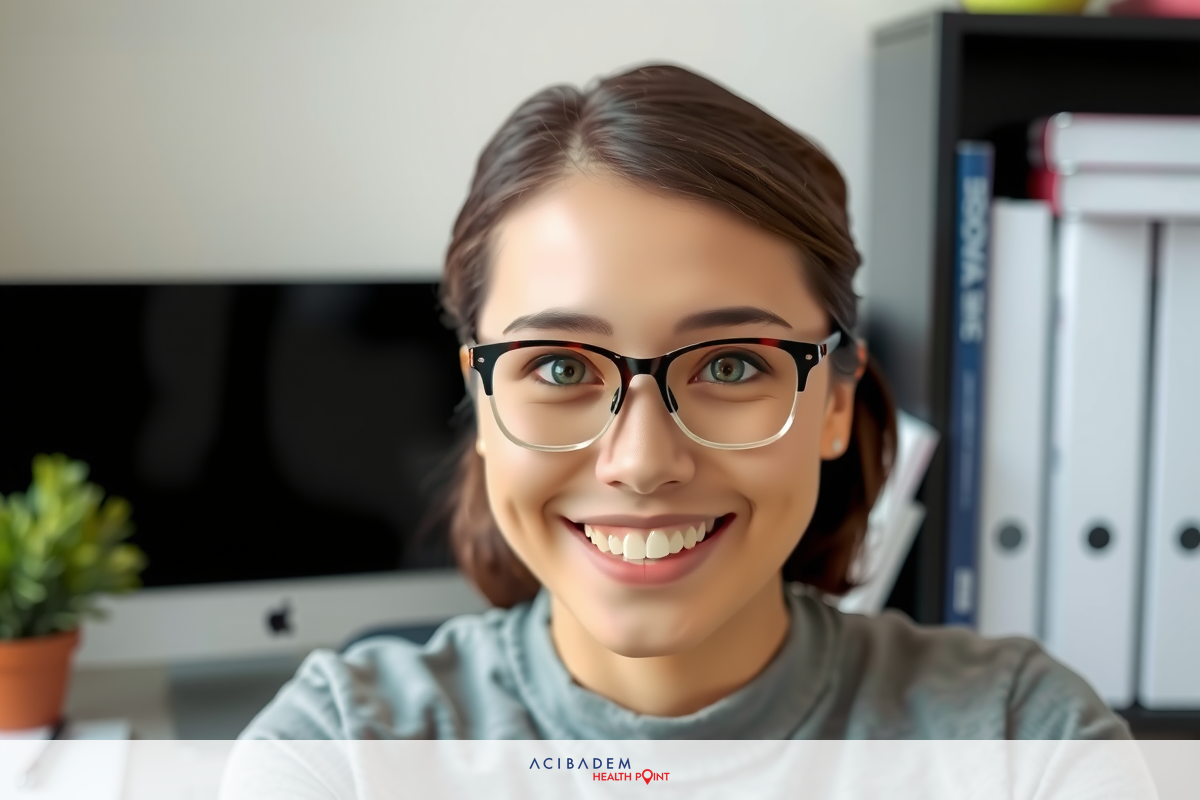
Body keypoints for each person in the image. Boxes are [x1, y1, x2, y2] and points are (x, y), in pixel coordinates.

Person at [238, 64, 1130, 741]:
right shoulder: (342, 747)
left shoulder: (1022, 735)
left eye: (734, 365)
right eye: (557, 368)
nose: (641, 461)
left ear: (833, 403)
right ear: (480, 395)